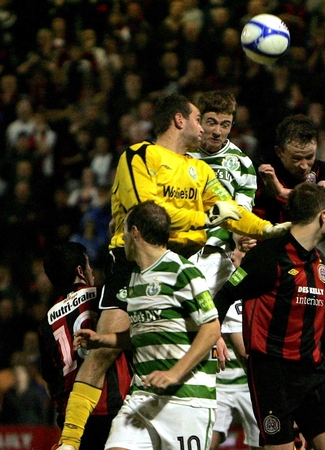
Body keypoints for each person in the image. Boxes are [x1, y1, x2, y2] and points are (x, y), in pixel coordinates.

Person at [54, 94, 287, 450]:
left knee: (166, 345)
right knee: (102, 352)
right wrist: (203, 222)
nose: (204, 128)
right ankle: (69, 441)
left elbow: (230, 211)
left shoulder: (200, 169)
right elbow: (146, 214)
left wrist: (266, 229)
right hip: (131, 262)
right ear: (179, 120)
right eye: (198, 119)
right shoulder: (139, 156)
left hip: (176, 264)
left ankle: (153, 425)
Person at [214, 183, 325, 450]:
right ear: (323, 216)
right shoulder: (268, 256)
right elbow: (224, 296)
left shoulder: (319, 260)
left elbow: (315, 303)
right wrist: (215, 336)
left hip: (314, 371)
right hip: (274, 375)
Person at [73, 200, 221, 450]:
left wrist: (174, 373)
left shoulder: (182, 270)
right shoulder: (135, 278)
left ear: (135, 232)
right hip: (142, 399)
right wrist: (104, 340)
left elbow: (211, 328)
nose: (120, 239)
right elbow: (142, 334)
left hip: (185, 403)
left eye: (124, 230)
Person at [185, 91, 262, 450]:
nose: (217, 131)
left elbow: (242, 217)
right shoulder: (181, 155)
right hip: (183, 256)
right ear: (200, 121)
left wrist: (242, 242)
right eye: (212, 122)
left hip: (219, 261)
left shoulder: (242, 164)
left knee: (242, 348)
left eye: (225, 124)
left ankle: (277, 409)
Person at [38, 242, 132, 450]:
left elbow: (50, 384)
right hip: (111, 410)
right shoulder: (105, 296)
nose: (92, 272)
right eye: (88, 266)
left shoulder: (46, 322)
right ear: (80, 271)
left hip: (70, 418)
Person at [254, 114, 325, 224]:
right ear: (279, 152)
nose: (304, 166)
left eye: (309, 157)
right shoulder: (261, 170)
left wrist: (281, 192)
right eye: (296, 159)